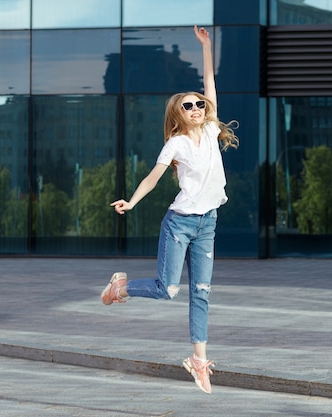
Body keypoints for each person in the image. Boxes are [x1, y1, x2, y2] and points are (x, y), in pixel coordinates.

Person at [100, 25, 238, 394]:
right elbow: (153, 178)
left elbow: (210, 80)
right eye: (188, 105)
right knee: (168, 289)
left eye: (199, 104)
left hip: (208, 223)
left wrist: (206, 46)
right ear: (178, 115)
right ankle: (122, 287)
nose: (196, 108)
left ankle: (198, 360)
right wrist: (131, 201)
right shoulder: (175, 144)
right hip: (179, 225)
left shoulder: (210, 130)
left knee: (202, 292)